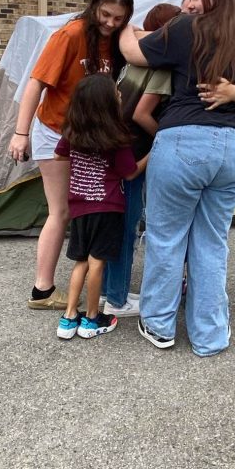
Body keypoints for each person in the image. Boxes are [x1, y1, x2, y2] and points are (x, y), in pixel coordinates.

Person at [119, 0, 235, 357]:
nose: (191, 1)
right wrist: (233, 92)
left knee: (166, 238)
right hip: (234, 146)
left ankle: (159, 325)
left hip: (183, 141)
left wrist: (126, 26)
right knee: (212, 242)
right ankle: (210, 335)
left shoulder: (186, 28)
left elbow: (133, 54)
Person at [7, 0, 133, 310]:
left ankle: (93, 279)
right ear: (94, 7)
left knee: (88, 205)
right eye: (106, 15)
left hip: (89, 139)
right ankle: (42, 290)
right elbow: (36, 83)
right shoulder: (70, 35)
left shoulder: (118, 40)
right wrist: (21, 133)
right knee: (61, 211)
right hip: (56, 132)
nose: (110, 23)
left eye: (119, 19)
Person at [102, 2, 181, 318]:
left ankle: (110, 290)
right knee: (128, 226)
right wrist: (167, 136)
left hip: (113, 147)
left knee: (117, 223)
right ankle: (117, 300)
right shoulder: (159, 66)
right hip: (132, 151)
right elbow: (142, 114)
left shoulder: (132, 58)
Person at [54, 75, 147, 340]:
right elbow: (129, 173)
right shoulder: (116, 137)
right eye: (116, 93)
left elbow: (60, 153)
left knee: (81, 261)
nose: (120, 95)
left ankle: (70, 317)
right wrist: (152, 154)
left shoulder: (73, 132)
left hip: (80, 207)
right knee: (98, 263)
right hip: (107, 209)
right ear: (106, 103)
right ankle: (93, 318)